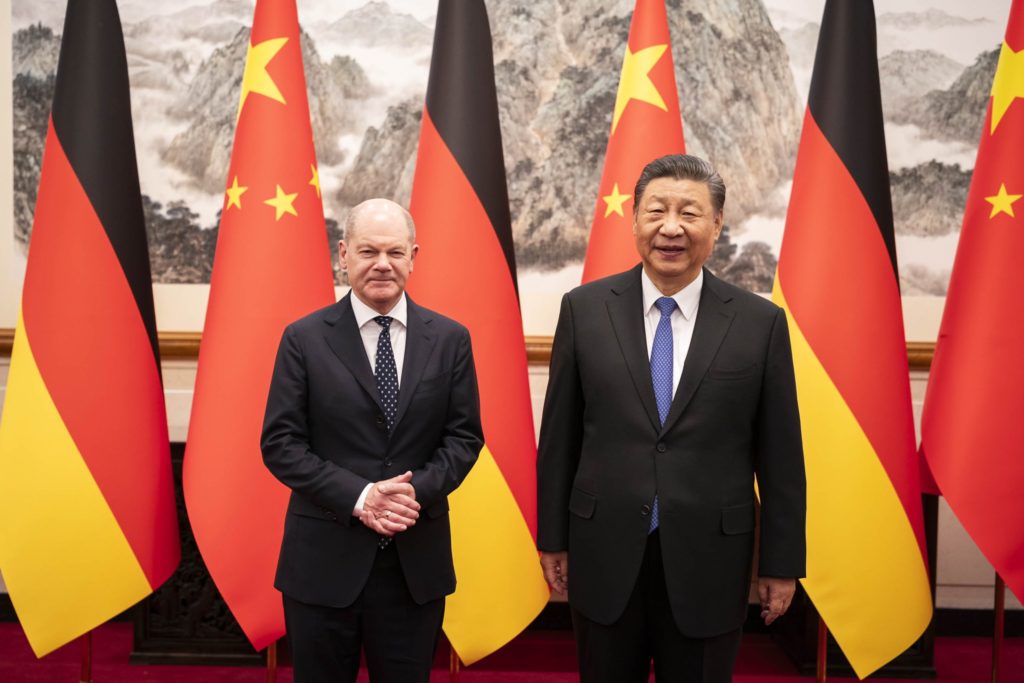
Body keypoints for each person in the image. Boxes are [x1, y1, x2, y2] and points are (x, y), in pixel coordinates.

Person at [537, 154, 806, 682]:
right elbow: (560, 439)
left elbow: (781, 457)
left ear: (717, 224)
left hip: (712, 558)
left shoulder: (760, 323)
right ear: (635, 218)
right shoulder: (584, 310)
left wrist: (780, 564)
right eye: (657, 210)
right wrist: (552, 537)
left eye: (690, 212)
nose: (671, 227)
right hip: (604, 550)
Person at [261, 198, 483, 683]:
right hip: (323, 562)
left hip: (412, 564)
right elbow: (281, 443)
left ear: (413, 256)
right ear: (343, 255)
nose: (382, 264)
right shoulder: (304, 338)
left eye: (394, 252)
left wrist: (410, 495)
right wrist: (361, 497)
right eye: (367, 251)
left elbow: (464, 438)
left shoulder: (450, 338)